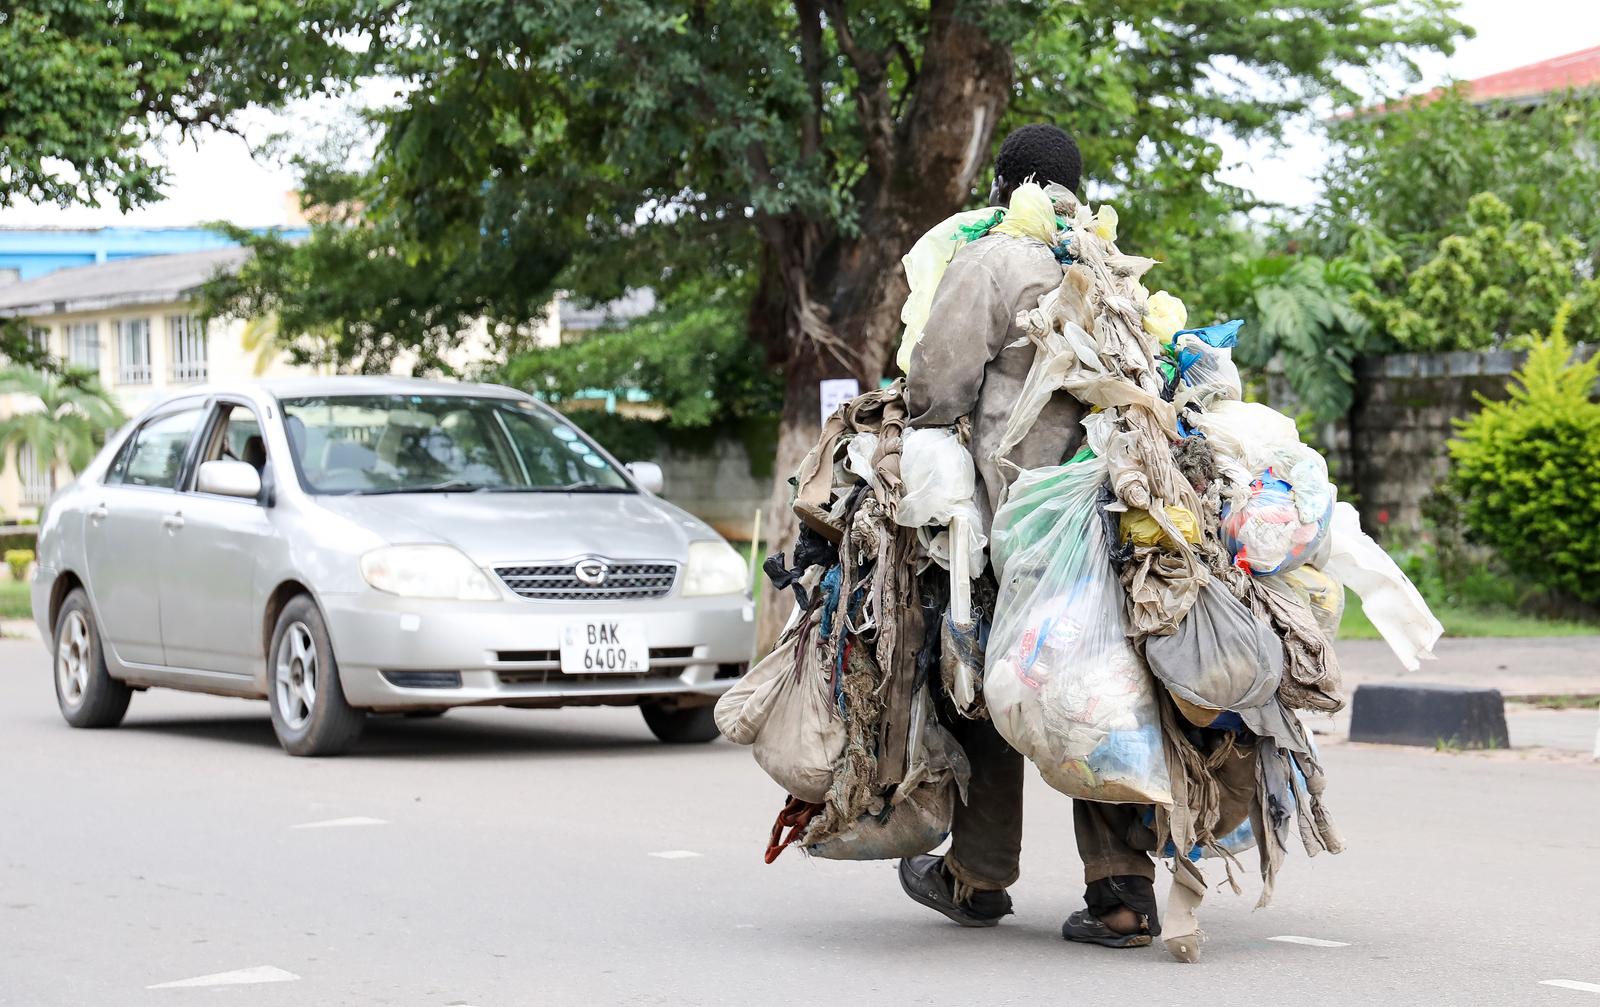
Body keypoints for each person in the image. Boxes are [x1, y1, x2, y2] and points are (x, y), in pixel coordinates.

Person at [896, 122, 1087, 929]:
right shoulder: (1106, 264)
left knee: (980, 681)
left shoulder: (994, 259)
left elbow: (937, 386)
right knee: (1096, 686)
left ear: (1006, 186)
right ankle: (1122, 893)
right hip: (1102, 519)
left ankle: (978, 874)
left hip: (1012, 517)